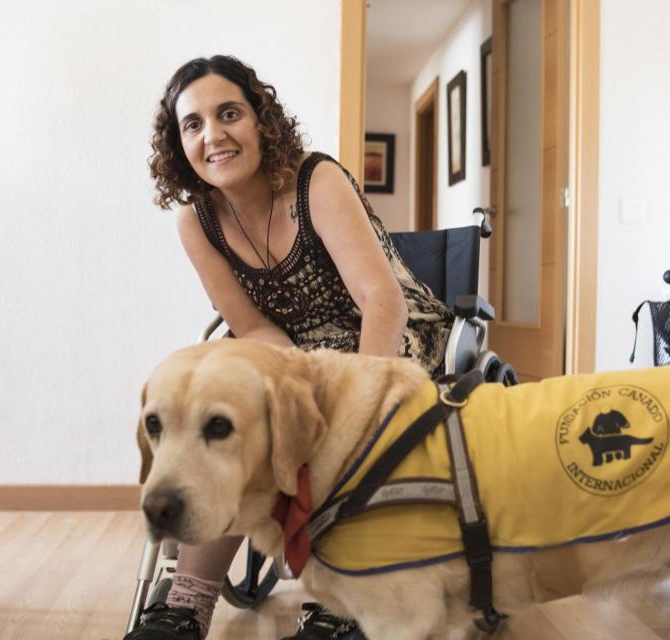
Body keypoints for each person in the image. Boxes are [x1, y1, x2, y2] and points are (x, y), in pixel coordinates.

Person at [127, 55, 454, 640]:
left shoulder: (315, 181)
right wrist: (281, 385)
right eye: (193, 124)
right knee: (233, 412)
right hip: (284, 349)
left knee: (311, 417)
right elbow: (250, 326)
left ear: (261, 121)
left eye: (229, 114)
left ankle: (346, 594)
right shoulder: (196, 221)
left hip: (381, 338)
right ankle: (185, 603)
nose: (214, 135)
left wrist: (354, 402)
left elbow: (384, 303)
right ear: (180, 145)